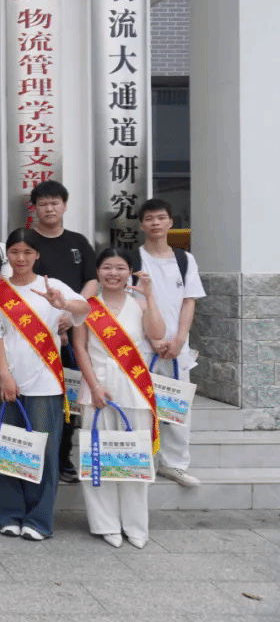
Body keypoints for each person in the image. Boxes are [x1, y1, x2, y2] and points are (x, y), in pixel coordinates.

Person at [0, 228, 89, 541]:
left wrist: (64, 304)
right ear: (8, 254)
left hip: (46, 382)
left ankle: (39, 518)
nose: (21, 258)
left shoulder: (51, 286)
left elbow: (86, 309)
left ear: (37, 255)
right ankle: (7, 513)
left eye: (27, 252)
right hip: (7, 382)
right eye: (15, 252)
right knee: (7, 449)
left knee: (44, 452)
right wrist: (4, 374)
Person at [72, 248, 165, 549]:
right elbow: (80, 348)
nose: (113, 274)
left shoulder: (140, 304)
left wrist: (150, 295)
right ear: (98, 272)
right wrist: (94, 386)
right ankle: (105, 524)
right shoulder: (87, 307)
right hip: (97, 388)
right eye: (107, 268)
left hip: (134, 387)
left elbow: (157, 334)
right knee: (99, 456)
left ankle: (136, 525)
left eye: (120, 268)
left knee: (134, 455)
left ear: (130, 272)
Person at [28, 180, 99, 484]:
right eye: (43, 203)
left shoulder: (78, 242)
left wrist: (72, 312)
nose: (49, 208)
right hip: (34, 334)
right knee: (35, 398)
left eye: (55, 202)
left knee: (68, 395)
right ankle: (33, 459)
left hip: (73, 332)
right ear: (34, 208)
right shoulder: (27, 242)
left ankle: (63, 457)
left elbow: (92, 281)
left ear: (65, 205)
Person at [136, 197, 206, 487]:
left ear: (171, 222)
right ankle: (141, 461)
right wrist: (153, 339)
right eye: (149, 218)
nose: (155, 223)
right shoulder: (133, 259)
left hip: (177, 348)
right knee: (141, 405)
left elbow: (189, 301)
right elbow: (131, 302)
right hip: (142, 346)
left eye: (161, 218)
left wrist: (178, 339)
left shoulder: (184, 259)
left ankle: (174, 464)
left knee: (177, 407)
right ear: (141, 225)